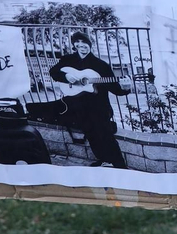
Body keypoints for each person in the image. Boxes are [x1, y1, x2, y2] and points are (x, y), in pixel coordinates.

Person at [49, 32, 137, 167]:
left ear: (90, 44)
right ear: (74, 45)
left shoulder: (101, 65)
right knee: (90, 134)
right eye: (77, 42)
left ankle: (119, 164)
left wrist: (125, 88)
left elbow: (115, 89)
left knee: (106, 135)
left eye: (84, 42)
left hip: (99, 107)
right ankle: (102, 159)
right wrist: (66, 77)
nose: (81, 45)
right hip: (77, 105)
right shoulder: (68, 60)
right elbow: (53, 72)